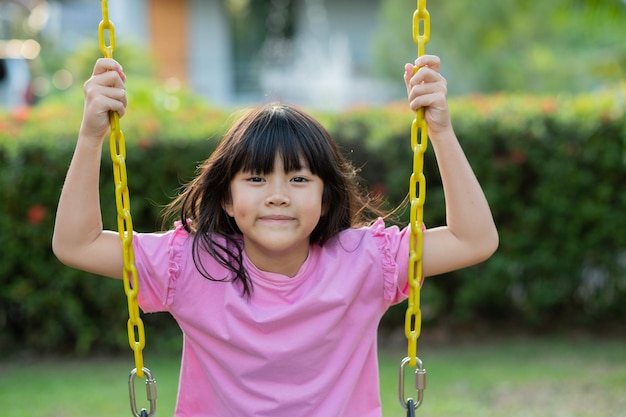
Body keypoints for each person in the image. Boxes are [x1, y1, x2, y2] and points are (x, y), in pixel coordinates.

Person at [52, 54, 498, 417]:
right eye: (257, 179)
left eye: (300, 180)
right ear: (226, 198)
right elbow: (77, 244)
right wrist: (92, 134)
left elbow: (473, 240)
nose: (279, 196)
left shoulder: (364, 261)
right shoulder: (192, 263)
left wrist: (439, 130)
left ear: (326, 197)